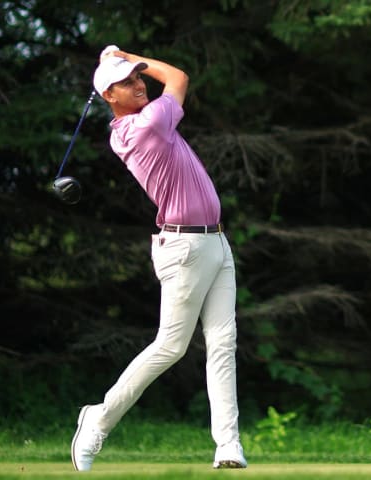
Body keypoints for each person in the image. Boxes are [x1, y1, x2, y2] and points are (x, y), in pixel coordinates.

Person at [70, 45, 247, 471]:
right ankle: (99, 419)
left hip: (216, 243)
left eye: (137, 76)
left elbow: (166, 84)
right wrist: (130, 54)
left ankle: (228, 446)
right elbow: (179, 78)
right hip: (184, 247)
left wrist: (119, 62)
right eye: (128, 81)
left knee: (223, 344)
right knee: (170, 346)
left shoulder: (144, 120)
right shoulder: (144, 126)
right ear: (110, 97)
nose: (138, 83)